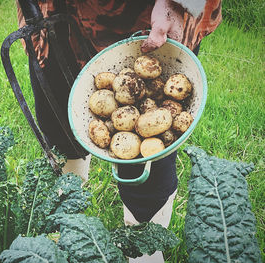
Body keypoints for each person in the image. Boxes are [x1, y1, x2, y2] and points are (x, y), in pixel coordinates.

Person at [16, 1, 221, 262]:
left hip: (141, 10)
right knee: (57, 110)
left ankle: (145, 247)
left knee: (148, 168)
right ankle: (69, 213)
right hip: (56, 8)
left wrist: (175, 3)